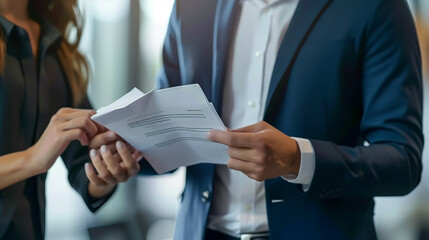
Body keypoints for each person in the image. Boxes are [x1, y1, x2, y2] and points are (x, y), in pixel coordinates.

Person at [88, 0, 424, 239]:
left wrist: (297, 158)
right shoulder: (190, 7)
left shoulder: (376, 7)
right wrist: (128, 150)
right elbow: (171, 135)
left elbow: (402, 160)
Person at [0, 0, 134, 239]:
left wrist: (106, 173)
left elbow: (83, 162)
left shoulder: (58, 50)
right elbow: (39, 157)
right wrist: (32, 158)